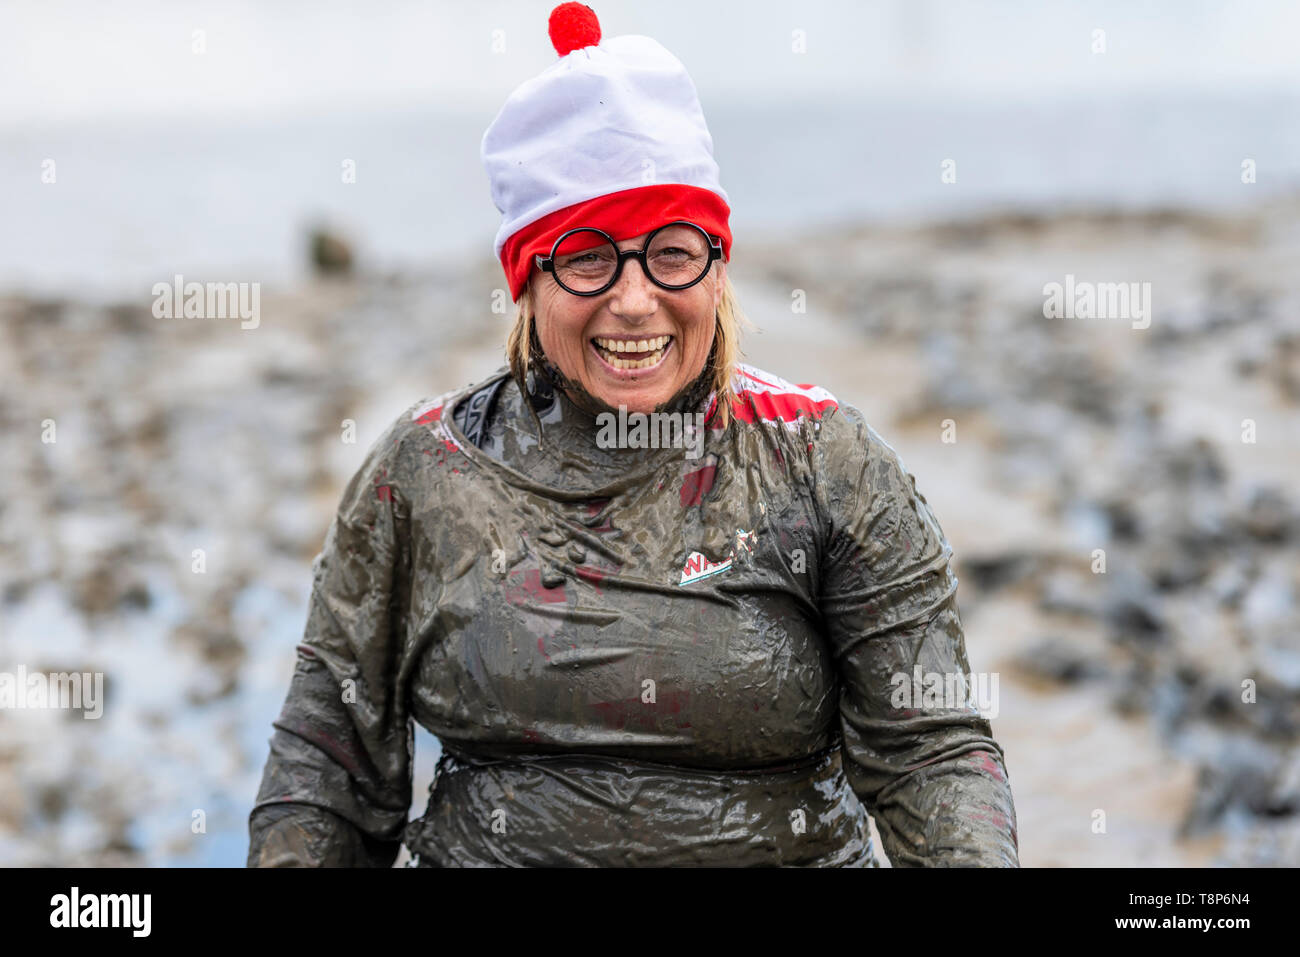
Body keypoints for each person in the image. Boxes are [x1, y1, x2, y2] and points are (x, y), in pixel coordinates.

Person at [247, 2, 1019, 868]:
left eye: (672, 252)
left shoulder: (823, 460)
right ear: (528, 281)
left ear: (716, 266)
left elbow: (936, 757)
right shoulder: (422, 472)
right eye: (586, 256)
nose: (634, 298)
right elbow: (324, 767)